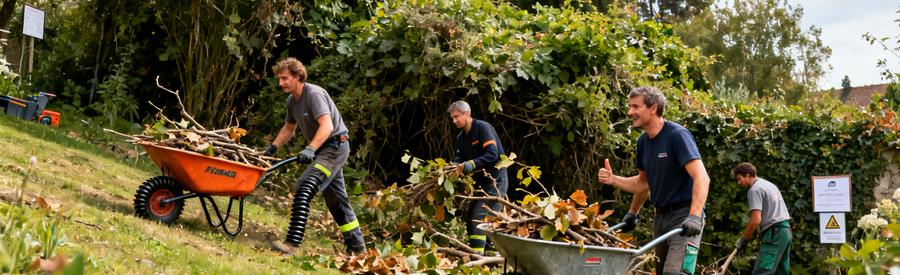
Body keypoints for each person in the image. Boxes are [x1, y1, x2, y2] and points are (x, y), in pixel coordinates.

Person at [597, 86, 710, 274]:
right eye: (629, 107)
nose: (629, 112)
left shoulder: (677, 135)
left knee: (675, 272)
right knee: (661, 271)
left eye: (635, 107)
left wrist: (695, 216)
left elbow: (702, 177)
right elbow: (643, 183)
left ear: (653, 108)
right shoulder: (643, 142)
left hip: (684, 216)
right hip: (661, 218)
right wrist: (631, 210)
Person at [264, 57, 366, 255]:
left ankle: (292, 244)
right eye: (279, 79)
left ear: (298, 76)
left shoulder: (314, 94)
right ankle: (358, 248)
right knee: (336, 200)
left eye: (285, 78)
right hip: (323, 150)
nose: (281, 83)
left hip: (335, 146)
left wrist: (310, 148)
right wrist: (272, 148)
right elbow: (289, 128)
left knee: (305, 185)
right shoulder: (291, 101)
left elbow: (327, 126)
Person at [447, 100, 509, 254]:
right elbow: (459, 159)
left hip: (496, 181)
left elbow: (492, 154)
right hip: (480, 184)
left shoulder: (483, 128)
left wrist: (471, 165)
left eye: (457, 117)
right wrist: (452, 168)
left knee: (479, 217)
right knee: (470, 219)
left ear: (467, 114)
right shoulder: (461, 138)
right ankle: (489, 257)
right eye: (452, 118)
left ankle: (477, 261)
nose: (454, 121)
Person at [731, 162, 792, 275]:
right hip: (786, 231)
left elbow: (755, 220)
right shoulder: (769, 185)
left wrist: (743, 239)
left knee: (762, 271)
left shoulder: (755, 190)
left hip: (774, 234)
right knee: (781, 272)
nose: (739, 183)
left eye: (739, 179)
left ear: (748, 175)